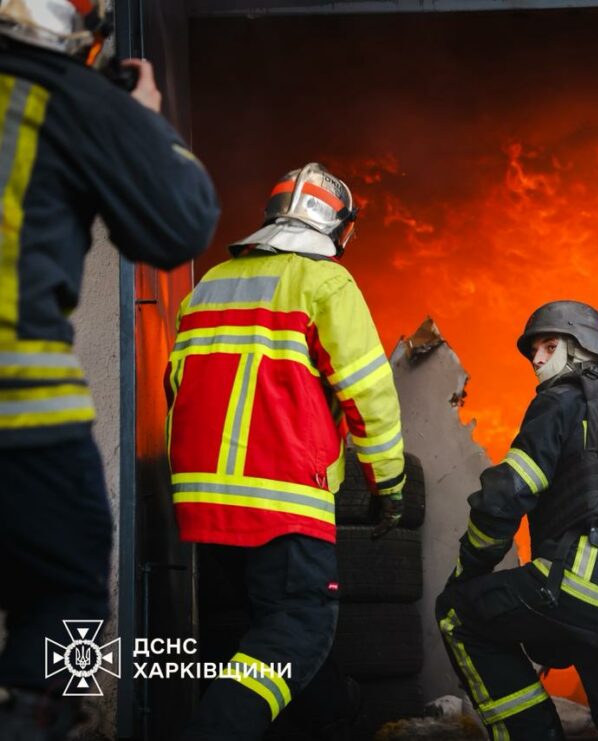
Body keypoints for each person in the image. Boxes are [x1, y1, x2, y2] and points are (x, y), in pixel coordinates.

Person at [0, 0, 219, 736]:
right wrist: (147, 122)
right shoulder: (59, 93)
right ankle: (41, 718)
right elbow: (176, 225)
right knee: (66, 602)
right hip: (21, 420)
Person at [166, 162, 405, 740]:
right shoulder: (325, 283)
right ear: (338, 227)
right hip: (282, 500)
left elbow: (177, 385)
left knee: (272, 631)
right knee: (295, 631)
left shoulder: (209, 284)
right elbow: (367, 390)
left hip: (204, 505)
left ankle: (342, 722)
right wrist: (388, 484)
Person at [436, 300, 598, 740]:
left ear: (582, 350)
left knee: (457, 613)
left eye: (548, 346)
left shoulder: (561, 400)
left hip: (575, 589)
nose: (536, 359)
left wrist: (469, 571)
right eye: (534, 351)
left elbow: (505, 493)